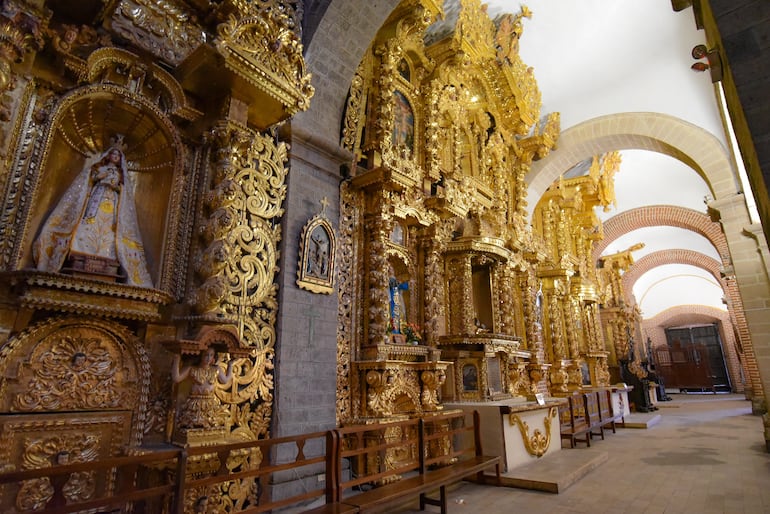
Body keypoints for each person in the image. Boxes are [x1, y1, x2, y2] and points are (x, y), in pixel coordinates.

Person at [33, 144, 152, 286]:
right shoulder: (99, 168)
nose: (115, 157)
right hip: (97, 198)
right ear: (108, 156)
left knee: (109, 230)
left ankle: (106, 256)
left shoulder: (120, 174)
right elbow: (92, 178)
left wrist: (115, 186)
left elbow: (123, 191)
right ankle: (81, 251)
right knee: (90, 223)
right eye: (113, 154)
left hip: (112, 202)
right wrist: (103, 176)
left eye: (117, 155)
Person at [172, 347, 234, 430]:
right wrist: (176, 360)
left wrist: (230, 365)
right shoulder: (192, 369)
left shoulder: (216, 369)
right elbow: (177, 378)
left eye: (211, 355)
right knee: (192, 425)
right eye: (206, 355)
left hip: (211, 403)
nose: (208, 358)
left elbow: (225, 380)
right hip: (195, 404)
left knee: (212, 424)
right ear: (200, 355)